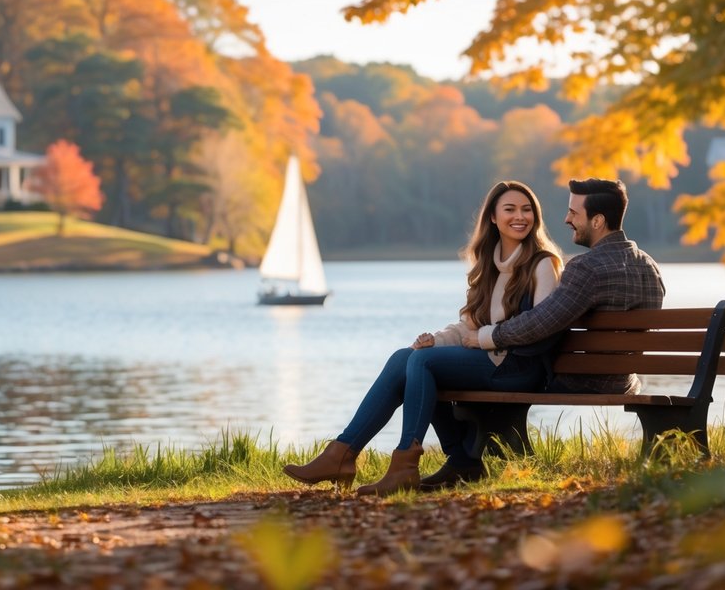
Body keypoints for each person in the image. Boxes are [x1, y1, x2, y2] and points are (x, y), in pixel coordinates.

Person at [283, 180, 564, 496]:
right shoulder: (488, 264)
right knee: (406, 357)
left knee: (422, 364)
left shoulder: (542, 263)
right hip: (492, 359)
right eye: (510, 209)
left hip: (521, 367)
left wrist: (485, 338)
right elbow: (467, 325)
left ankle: (405, 465)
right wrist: (438, 339)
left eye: (527, 210)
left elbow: (540, 326)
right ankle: (345, 452)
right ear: (493, 218)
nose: (520, 217)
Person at [467, 178, 665, 396]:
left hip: (582, 379)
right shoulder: (650, 267)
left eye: (573, 213)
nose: (567, 219)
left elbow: (541, 322)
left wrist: (489, 336)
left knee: (470, 371)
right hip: (627, 380)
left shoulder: (586, 268)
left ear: (597, 221)